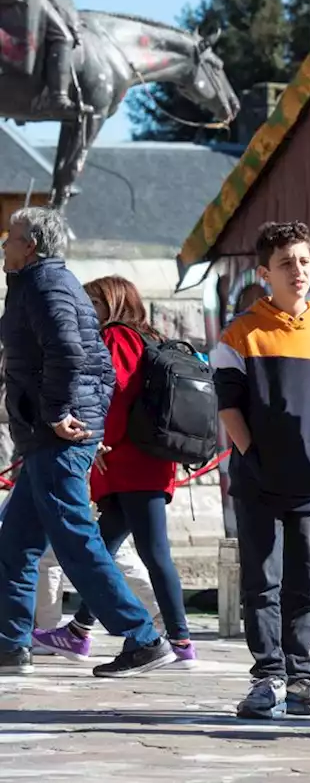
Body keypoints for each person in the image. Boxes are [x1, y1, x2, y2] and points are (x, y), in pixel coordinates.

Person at [0, 206, 174, 677]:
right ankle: (11, 643)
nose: (4, 243)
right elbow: (89, 360)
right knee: (14, 543)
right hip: (44, 438)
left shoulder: (46, 285)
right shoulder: (41, 285)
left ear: (31, 245)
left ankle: (143, 638)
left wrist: (60, 415)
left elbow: (70, 353)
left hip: (54, 436)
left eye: (10, 237)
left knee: (76, 541)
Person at [212, 221, 310, 718]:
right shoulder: (240, 334)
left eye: (303, 260)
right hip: (256, 482)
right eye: (285, 263)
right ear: (263, 274)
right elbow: (228, 405)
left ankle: (302, 676)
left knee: (305, 583)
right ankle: (267, 677)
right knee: (262, 583)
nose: (298, 270)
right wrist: (251, 456)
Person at [31, 276, 195, 666]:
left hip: (130, 462)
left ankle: (181, 641)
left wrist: (100, 439)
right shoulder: (148, 336)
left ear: (113, 302)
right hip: (140, 462)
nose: (86, 309)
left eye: (93, 301)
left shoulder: (118, 337)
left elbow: (114, 392)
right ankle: (78, 632)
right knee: (101, 550)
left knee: (154, 553)